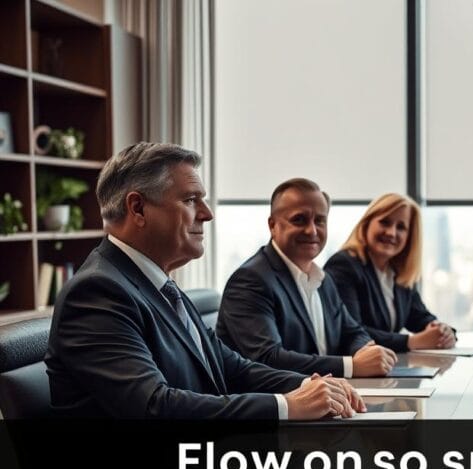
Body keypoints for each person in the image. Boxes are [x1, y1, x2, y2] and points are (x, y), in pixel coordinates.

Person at [46, 142, 364, 419]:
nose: (207, 213)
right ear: (138, 208)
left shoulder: (158, 285)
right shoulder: (97, 292)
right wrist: (286, 406)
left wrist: (308, 385)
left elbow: (231, 367)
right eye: (190, 200)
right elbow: (152, 406)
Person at [217, 178, 397, 378]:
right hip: (278, 403)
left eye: (320, 221)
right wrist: (351, 366)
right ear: (273, 225)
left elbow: (352, 331)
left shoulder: (322, 279)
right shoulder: (250, 280)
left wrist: (366, 350)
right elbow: (268, 358)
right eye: (299, 220)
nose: (312, 230)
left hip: (329, 396)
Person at [324, 193, 455, 352]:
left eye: (401, 227)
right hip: (352, 371)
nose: (391, 233)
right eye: (385, 222)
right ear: (366, 224)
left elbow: (419, 317)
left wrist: (441, 330)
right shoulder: (345, 265)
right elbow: (351, 332)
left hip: (385, 366)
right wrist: (411, 342)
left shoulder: (398, 271)